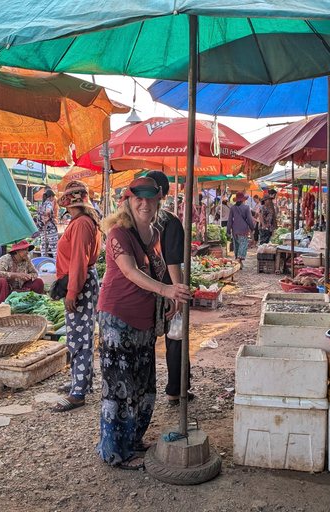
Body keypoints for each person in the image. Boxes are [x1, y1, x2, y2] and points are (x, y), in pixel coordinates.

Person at [96, 177, 191, 470]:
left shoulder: (153, 234)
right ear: (127, 201)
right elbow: (129, 270)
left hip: (145, 321)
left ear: (158, 201)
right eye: (139, 198)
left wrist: (171, 296)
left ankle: (134, 440)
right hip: (118, 318)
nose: (145, 203)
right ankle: (114, 453)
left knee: (143, 385)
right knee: (120, 389)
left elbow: (159, 270)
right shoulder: (118, 233)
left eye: (151, 198)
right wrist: (166, 291)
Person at [51, 181, 102, 412]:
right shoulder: (84, 221)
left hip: (79, 281)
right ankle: (79, 381)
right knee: (81, 335)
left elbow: (79, 260)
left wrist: (72, 292)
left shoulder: (81, 223)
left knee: (79, 337)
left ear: (69, 204)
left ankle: (78, 393)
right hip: (82, 279)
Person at [145, 170, 191, 406]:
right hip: (165, 289)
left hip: (141, 289)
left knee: (145, 342)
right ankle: (175, 390)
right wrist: (178, 294)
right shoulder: (169, 221)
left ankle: (145, 391)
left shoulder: (135, 220)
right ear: (164, 192)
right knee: (175, 339)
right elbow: (173, 261)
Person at [227, 191, 255, 267]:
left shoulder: (233, 208)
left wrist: (228, 231)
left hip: (235, 230)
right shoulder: (246, 208)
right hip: (243, 230)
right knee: (243, 245)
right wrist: (252, 228)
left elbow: (229, 220)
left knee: (236, 246)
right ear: (243, 200)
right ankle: (238, 260)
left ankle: (239, 263)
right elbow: (249, 219)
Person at [37, 189, 59, 257]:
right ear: (51, 197)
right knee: (55, 249)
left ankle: (44, 263)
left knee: (44, 249)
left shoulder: (41, 203)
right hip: (50, 230)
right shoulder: (48, 203)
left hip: (43, 230)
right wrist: (48, 217)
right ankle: (56, 264)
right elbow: (48, 210)